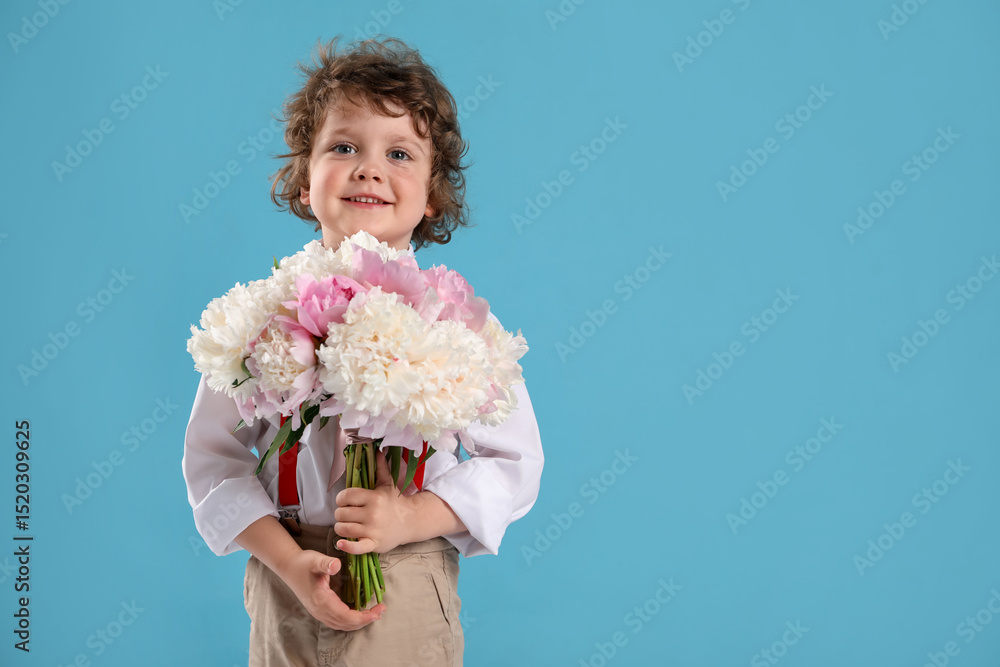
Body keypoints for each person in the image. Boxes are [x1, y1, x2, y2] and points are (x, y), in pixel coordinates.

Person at [181, 36, 544, 667]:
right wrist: (287, 560)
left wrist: (411, 517)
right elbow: (213, 461)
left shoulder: (455, 321)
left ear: (432, 196)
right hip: (288, 575)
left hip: (407, 576)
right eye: (343, 147)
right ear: (304, 181)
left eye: (398, 153)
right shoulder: (260, 318)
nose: (369, 168)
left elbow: (514, 463)